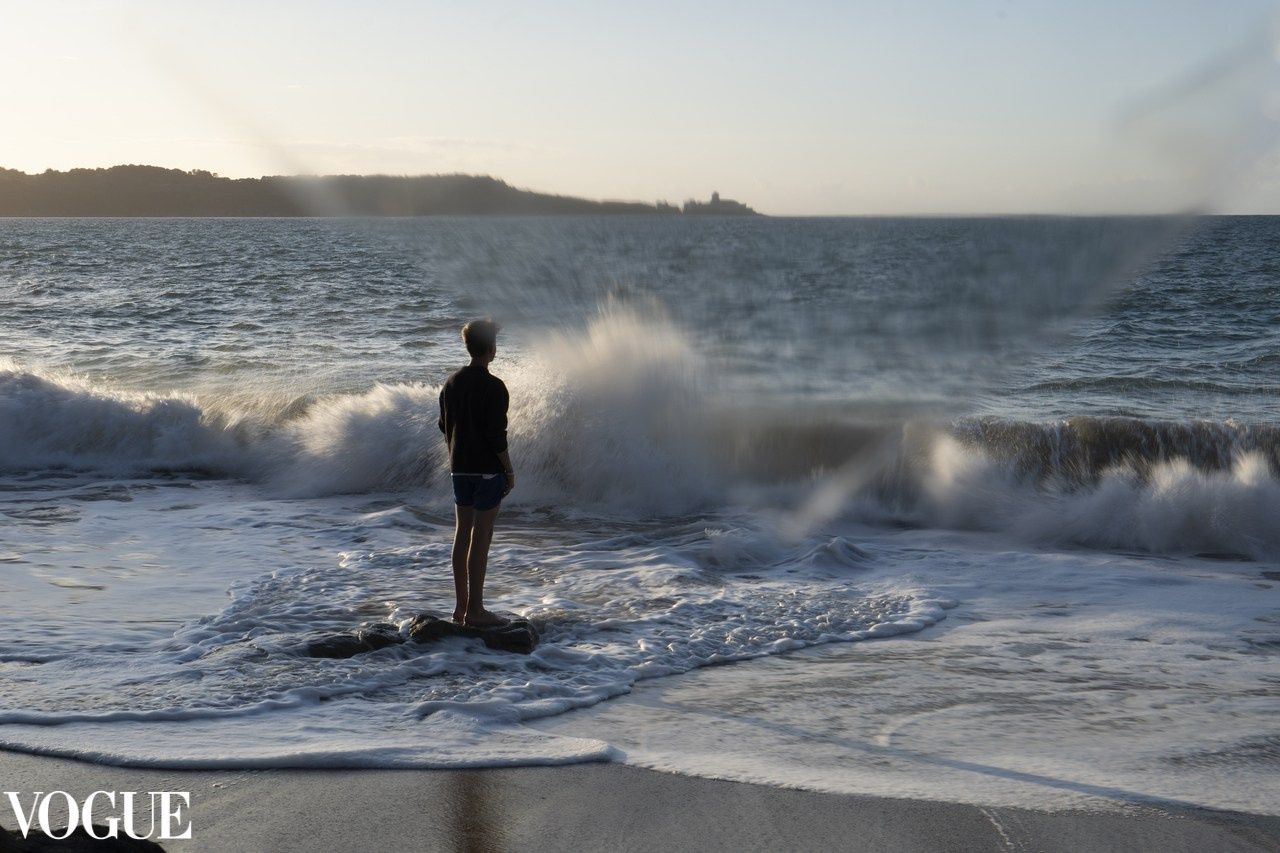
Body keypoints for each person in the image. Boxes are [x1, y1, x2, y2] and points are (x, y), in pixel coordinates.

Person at [438, 318, 515, 627]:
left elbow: (445, 427)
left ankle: (460, 609)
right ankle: (477, 611)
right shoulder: (494, 386)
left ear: (468, 346)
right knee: (481, 537)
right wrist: (508, 470)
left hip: (460, 469)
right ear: (492, 349)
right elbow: (496, 435)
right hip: (487, 471)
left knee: (462, 535)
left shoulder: (451, 382)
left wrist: (458, 455)